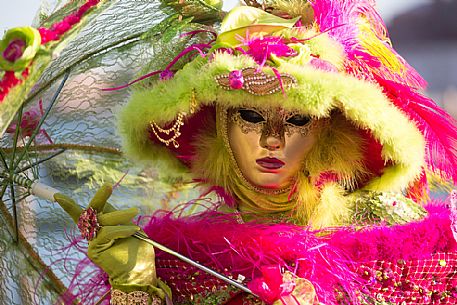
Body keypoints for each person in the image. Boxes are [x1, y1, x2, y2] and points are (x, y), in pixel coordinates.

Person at [55, 1, 457, 304]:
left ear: (329, 131)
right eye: (249, 116)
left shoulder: (398, 243)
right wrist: (135, 283)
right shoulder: (183, 261)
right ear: (218, 128)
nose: (272, 140)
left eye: (297, 119)